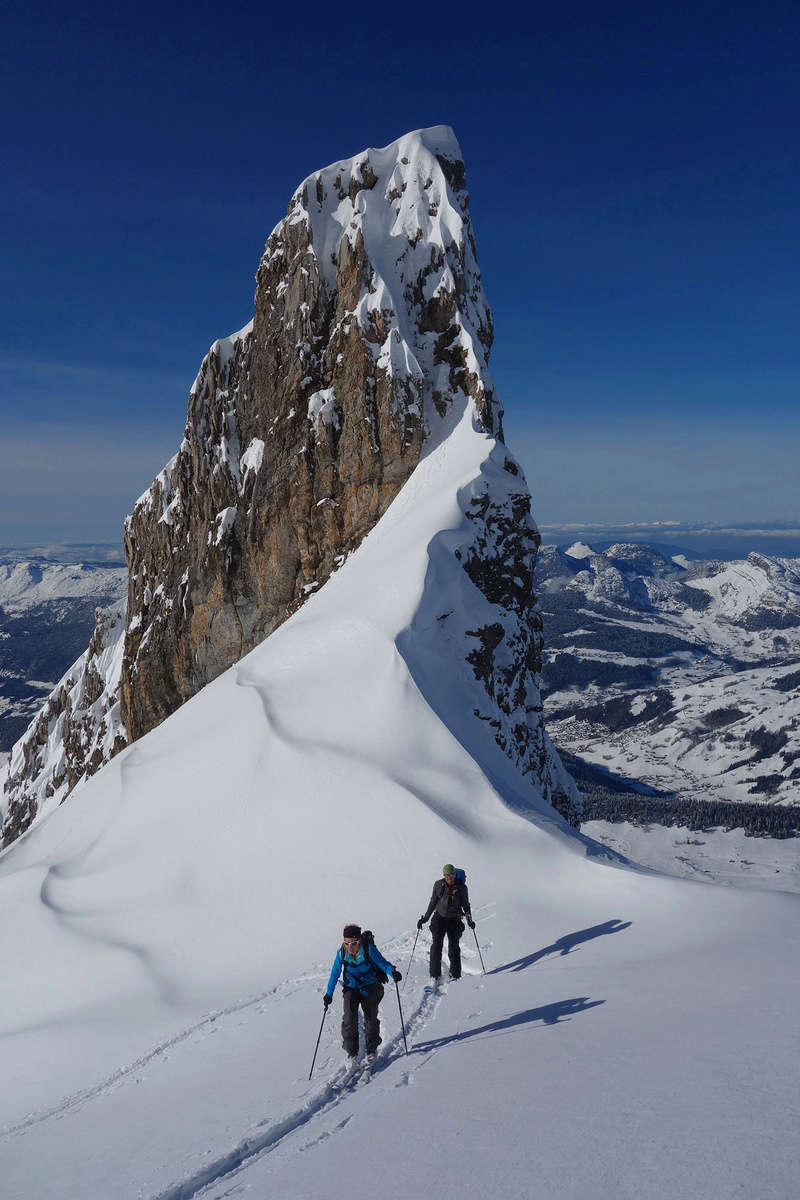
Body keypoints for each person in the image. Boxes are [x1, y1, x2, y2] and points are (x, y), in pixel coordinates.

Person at [323, 924, 401, 1060]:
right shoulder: (342, 952)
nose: (349, 947)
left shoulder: (368, 949)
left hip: (370, 986)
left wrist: (392, 972)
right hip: (351, 987)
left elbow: (382, 964)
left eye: (353, 943)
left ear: (359, 941)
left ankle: (371, 1050)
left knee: (370, 1018)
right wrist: (328, 994)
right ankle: (352, 1052)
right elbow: (335, 973)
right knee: (349, 1018)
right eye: (346, 943)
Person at [417, 864, 475, 981]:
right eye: (446, 875)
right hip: (439, 918)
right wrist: (425, 918)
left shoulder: (462, 888)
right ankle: (434, 975)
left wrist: (470, 921)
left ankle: (455, 975)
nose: (449, 877)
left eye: (451, 875)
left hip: (454, 919)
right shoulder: (438, 885)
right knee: (436, 945)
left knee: (454, 947)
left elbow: (466, 905)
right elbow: (433, 902)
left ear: (454, 875)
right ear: (444, 876)